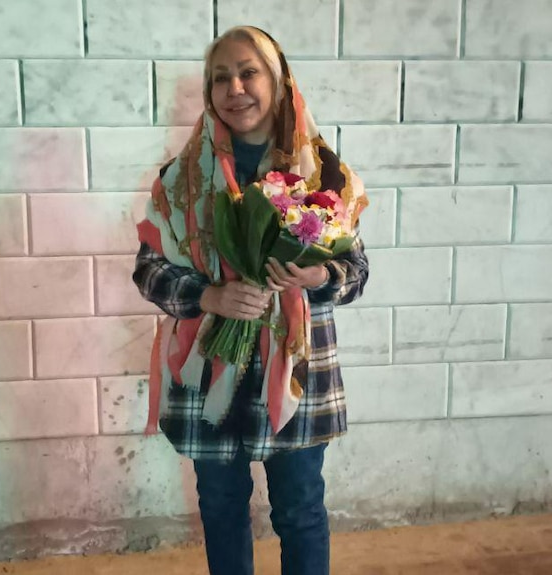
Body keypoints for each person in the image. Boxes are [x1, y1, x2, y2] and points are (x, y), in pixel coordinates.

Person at [132, 25, 370, 575]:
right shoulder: (179, 180)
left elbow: (356, 272)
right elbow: (147, 272)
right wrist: (208, 295)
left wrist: (317, 279)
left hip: (296, 370)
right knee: (219, 508)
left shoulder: (323, 176)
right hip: (209, 372)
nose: (234, 87)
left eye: (248, 72)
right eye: (220, 78)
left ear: (279, 82)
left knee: (301, 509)